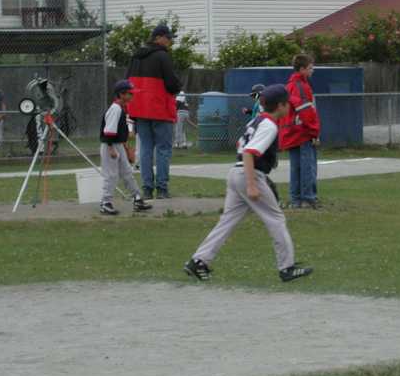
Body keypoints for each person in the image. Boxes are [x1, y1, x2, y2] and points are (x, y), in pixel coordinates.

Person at [184, 84, 313, 283]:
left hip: (236, 173)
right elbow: (249, 153)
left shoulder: (257, 119)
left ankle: (199, 260)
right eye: (287, 103)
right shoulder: (269, 125)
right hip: (248, 174)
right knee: (276, 219)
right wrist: (252, 184)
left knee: (228, 221)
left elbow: (241, 145)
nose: (289, 106)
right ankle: (286, 268)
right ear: (280, 105)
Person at [126, 24, 182, 200]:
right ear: (158, 38)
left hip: (140, 109)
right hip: (160, 109)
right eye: (168, 38)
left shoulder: (136, 57)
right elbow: (172, 84)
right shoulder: (162, 56)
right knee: (163, 149)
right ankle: (162, 189)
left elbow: (128, 82)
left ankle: (147, 189)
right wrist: (178, 86)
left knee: (145, 149)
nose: (169, 41)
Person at [99, 80, 153, 215]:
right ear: (121, 94)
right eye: (130, 93)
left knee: (127, 172)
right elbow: (109, 131)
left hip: (117, 144)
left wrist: (124, 146)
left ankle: (137, 199)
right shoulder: (115, 109)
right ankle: (105, 203)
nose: (132, 95)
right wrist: (111, 148)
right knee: (111, 175)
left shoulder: (121, 108)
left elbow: (119, 131)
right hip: (110, 145)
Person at [280, 54, 320, 209]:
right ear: (302, 69)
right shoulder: (301, 86)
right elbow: (306, 111)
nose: (312, 71)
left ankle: (295, 199)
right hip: (302, 132)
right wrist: (314, 132)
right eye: (310, 68)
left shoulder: (289, 86)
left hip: (291, 132)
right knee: (307, 166)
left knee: (295, 167)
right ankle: (308, 198)